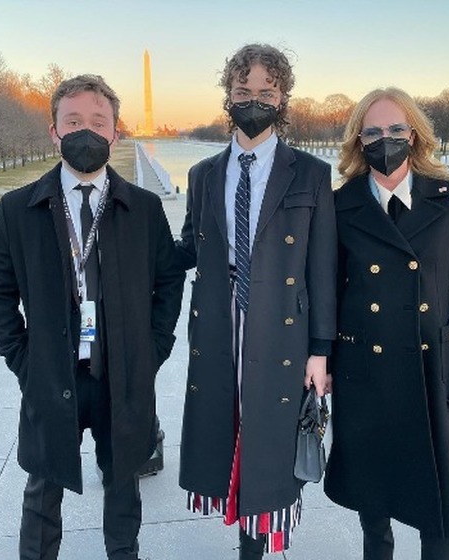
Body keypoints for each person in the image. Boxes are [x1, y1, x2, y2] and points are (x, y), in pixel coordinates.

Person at [0, 74, 184, 560]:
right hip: (51, 372)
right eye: (73, 121)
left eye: (98, 122)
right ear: (54, 131)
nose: (85, 131)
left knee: (124, 483)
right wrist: (22, 357)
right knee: (43, 488)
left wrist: (153, 348)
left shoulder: (146, 209)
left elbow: (169, 281)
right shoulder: (17, 209)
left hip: (122, 373)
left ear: (115, 132)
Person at [174, 43, 337, 559]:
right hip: (222, 326)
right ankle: (239, 521)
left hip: (281, 329)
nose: (253, 101)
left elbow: (323, 268)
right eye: (243, 91)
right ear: (228, 96)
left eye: (266, 92)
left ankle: (259, 542)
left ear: (283, 97)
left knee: (269, 443)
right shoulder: (202, 175)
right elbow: (188, 247)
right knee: (229, 431)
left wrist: (321, 349)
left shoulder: (310, 173)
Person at [325, 87, 449, 560]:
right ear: (359, 140)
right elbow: (329, 290)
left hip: (434, 366)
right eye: (374, 131)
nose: (386, 139)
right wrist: (325, 357)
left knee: (444, 504)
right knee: (374, 505)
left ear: (415, 134)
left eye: (396, 129)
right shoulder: (341, 204)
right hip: (365, 367)